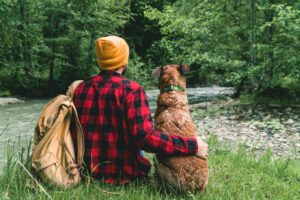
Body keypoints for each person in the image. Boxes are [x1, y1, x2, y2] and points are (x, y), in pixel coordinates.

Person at [71, 36, 208, 184]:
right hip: (122, 176)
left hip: (87, 174)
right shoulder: (131, 90)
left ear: (100, 61)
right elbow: (146, 140)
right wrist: (193, 145)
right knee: (138, 136)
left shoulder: (81, 89)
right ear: (124, 60)